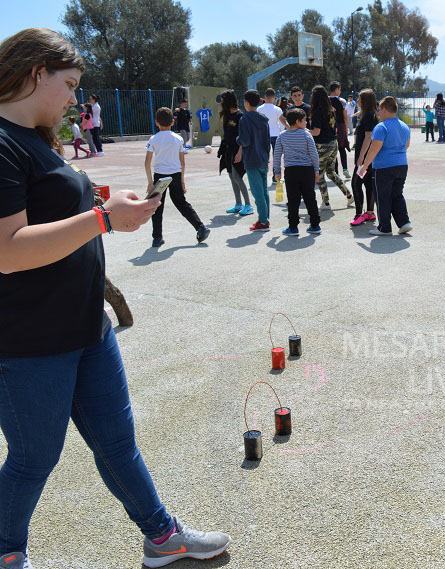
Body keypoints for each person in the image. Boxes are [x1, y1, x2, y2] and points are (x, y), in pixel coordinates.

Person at [0, 28, 231, 569]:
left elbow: (53, 202)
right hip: (31, 342)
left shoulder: (34, 136)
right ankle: (7, 552)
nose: (74, 100)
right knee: (34, 458)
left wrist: (105, 197)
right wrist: (103, 219)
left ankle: (162, 537)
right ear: (38, 74)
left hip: (87, 328)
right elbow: (7, 251)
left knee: (118, 444)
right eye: (70, 85)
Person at [146, 107, 209, 248]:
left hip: (159, 176)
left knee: (157, 207)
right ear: (173, 122)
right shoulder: (179, 139)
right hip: (175, 175)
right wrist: (182, 180)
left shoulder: (153, 139)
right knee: (182, 203)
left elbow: (147, 163)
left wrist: (150, 183)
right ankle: (200, 227)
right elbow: (182, 162)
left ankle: (157, 238)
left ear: (156, 122)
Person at [358, 96, 412, 237]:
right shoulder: (405, 126)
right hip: (402, 165)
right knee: (397, 195)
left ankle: (384, 227)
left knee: (382, 197)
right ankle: (404, 222)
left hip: (383, 168)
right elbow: (406, 146)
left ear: (384, 109)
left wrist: (364, 166)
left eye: (379, 110)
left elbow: (374, 149)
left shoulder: (381, 127)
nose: (378, 113)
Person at [273, 107, 321, 236]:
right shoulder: (306, 135)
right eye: (305, 120)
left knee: (293, 199)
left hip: (291, 171)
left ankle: (293, 227)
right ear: (298, 121)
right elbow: (314, 154)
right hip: (307, 170)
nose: (306, 123)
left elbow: (277, 155)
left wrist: (277, 172)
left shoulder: (282, 136)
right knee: (310, 197)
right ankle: (315, 225)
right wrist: (317, 171)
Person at [309, 84, 353, 210]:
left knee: (320, 174)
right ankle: (349, 195)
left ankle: (326, 203)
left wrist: (306, 131)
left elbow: (316, 131)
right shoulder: (331, 110)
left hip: (322, 145)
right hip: (333, 143)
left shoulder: (317, 111)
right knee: (331, 172)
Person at [238, 89, 272, 232]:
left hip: (252, 159)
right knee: (264, 191)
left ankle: (263, 221)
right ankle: (265, 218)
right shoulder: (263, 119)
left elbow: (245, 141)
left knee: (257, 192)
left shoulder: (244, 119)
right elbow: (267, 140)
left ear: (246, 103)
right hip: (263, 158)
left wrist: (238, 139)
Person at [217, 89, 252, 216]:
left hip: (238, 150)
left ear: (227, 101)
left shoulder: (240, 116)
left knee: (237, 177)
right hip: (228, 150)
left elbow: (244, 136)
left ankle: (248, 205)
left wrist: (240, 152)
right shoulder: (226, 115)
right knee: (232, 177)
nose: (220, 103)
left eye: (222, 101)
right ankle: (238, 204)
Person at [351, 89, 379, 226]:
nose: (357, 101)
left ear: (365, 101)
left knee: (355, 183)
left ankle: (359, 214)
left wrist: (361, 157)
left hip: (365, 156)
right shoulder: (370, 114)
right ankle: (369, 213)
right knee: (368, 184)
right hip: (370, 156)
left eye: (359, 99)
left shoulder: (369, 116)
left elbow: (368, 137)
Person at [256, 88, 285, 185]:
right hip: (276, 135)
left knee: (263, 156)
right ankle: (275, 177)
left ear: (265, 97)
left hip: (263, 135)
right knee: (276, 157)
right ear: (274, 98)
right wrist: (281, 131)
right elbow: (282, 123)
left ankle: (262, 177)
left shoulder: (259, 109)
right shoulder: (277, 109)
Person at [329, 82, 351, 180]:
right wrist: (346, 128)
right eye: (340, 89)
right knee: (342, 148)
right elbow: (344, 115)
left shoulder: (326, 100)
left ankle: (335, 172)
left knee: (333, 149)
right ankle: (345, 169)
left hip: (330, 126)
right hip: (340, 125)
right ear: (337, 89)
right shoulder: (342, 101)